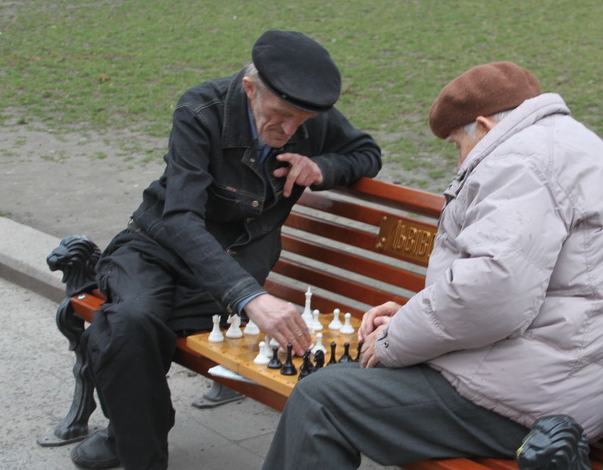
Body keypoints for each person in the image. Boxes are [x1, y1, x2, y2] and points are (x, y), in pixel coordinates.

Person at [262, 61, 603, 469]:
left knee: (322, 399)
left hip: (540, 405)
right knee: (333, 385)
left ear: (485, 126)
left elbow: (494, 293)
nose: (458, 162)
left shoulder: (521, 160)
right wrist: (411, 316)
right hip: (554, 380)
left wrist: (392, 340)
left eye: (457, 144)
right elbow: (513, 287)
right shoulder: (559, 144)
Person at [70, 30, 381, 470]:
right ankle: (141, 448)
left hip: (228, 269)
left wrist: (323, 165)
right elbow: (179, 218)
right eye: (280, 116)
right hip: (154, 249)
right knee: (131, 319)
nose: (290, 130)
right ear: (250, 89)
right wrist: (251, 297)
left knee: (127, 329)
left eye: (302, 122)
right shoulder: (201, 109)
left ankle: (128, 429)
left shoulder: (309, 119)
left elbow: (366, 152)